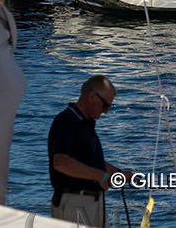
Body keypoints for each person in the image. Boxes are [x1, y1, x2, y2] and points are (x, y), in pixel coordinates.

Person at [48, 75, 122, 227]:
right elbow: (60, 162)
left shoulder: (86, 124)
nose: (106, 112)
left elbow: (89, 160)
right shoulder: (67, 121)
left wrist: (120, 174)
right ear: (92, 97)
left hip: (92, 203)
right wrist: (101, 177)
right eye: (105, 105)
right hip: (75, 204)